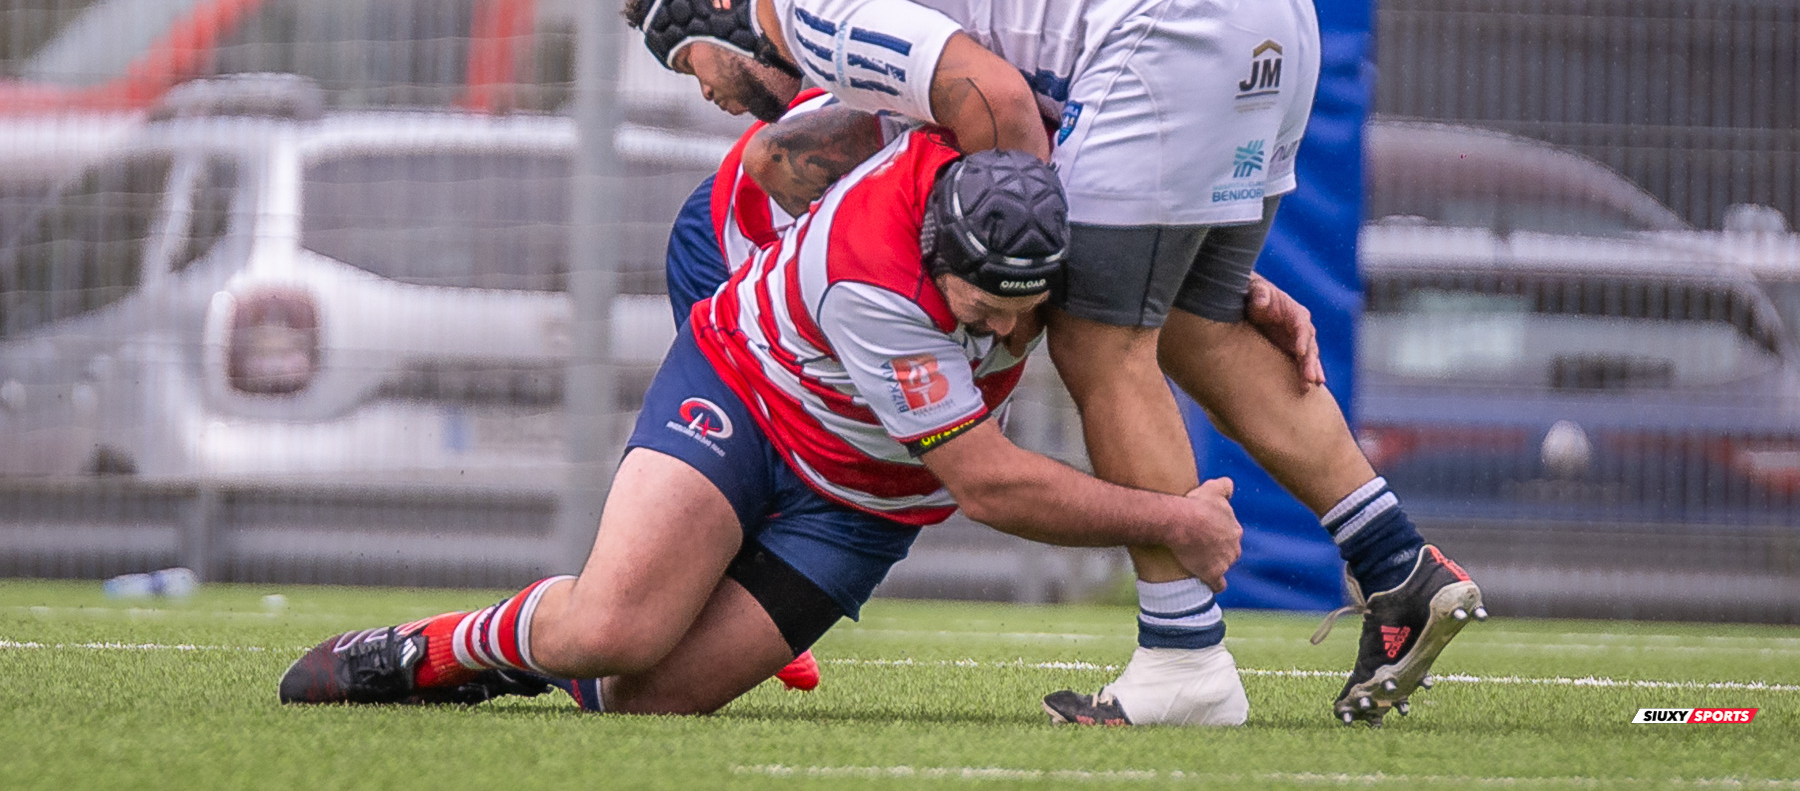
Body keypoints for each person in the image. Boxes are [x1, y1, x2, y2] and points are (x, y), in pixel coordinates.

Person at [625, 0, 1485, 727]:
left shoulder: (805, 0)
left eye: (688, 61)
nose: (706, 92)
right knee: (1196, 321)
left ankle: (1185, 660)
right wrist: (1176, 266)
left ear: (722, 6)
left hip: (1172, 19)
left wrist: (1013, 292)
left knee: (1097, 340)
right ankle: (1396, 564)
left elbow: (997, 103)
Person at [280, 138, 1248, 724]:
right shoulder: (874, 279)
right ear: (936, 252)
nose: (1003, 331)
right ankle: (442, 650)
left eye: (1023, 312)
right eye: (983, 307)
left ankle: (554, 663)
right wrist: (1173, 518)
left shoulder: (1033, 236)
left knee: (650, 700)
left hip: (862, 509)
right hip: (745, 403)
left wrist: (1242, 296)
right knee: (615, 627)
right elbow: (990, 485)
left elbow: (1145, 288)